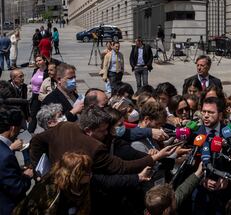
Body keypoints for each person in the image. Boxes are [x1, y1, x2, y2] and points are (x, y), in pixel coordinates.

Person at [30, 105, 174, 175]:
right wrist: (155, 158)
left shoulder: (66, 126)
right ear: (88, 130)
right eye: (103, 131)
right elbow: (121, 166)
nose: (106, 133)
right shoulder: (95, 147)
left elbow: (36, 140)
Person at [14, 152, 93, 215]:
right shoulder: (49, 190)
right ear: (75, 175)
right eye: (87, 172)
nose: (90, 174)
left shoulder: (83, 185)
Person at [0, 105, 33, 215]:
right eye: (20, 129)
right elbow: (17, 188)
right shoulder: (6, 155)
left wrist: (16, 170)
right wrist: (27, 175)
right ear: (13, 128)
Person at [28, 55, 49, 133]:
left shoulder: (47, 71)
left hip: (44, 96)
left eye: (39, 60)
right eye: (36, 61)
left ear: (45, 60)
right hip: (34, 96)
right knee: (33, 115)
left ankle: (48, 132)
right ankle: (31, 133)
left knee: (45, 116)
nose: (38, 62)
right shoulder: (36, 70)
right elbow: (32, 81)